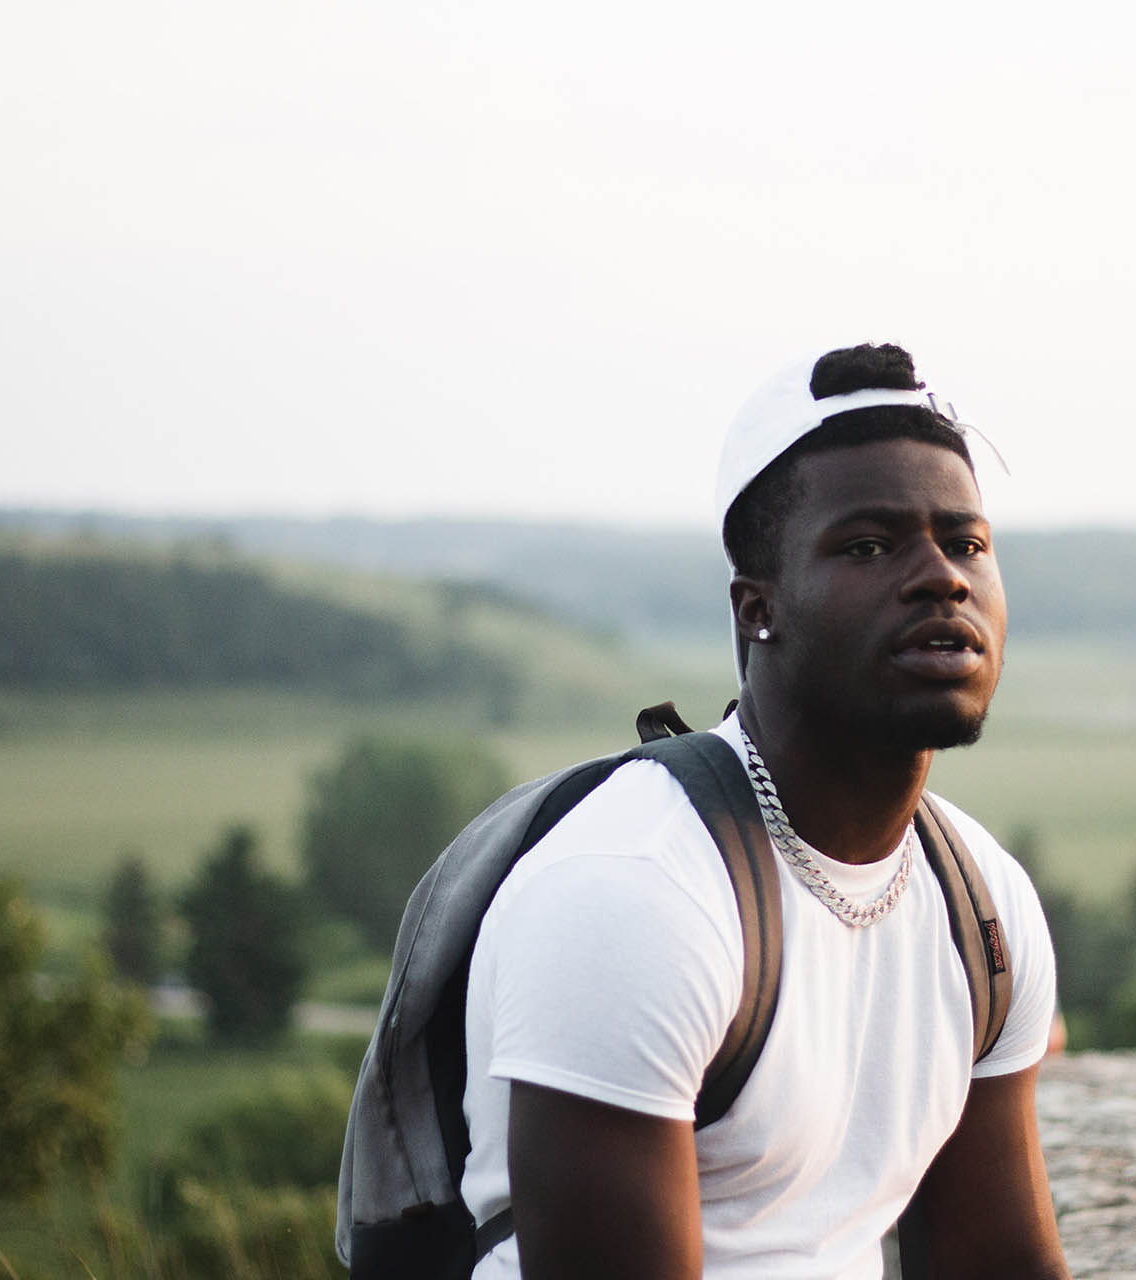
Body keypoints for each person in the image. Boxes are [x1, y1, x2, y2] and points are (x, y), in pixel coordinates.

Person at [457, 342, 1067, 1278]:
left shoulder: (981, 905)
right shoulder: (635, 892)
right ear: (756, 609)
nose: (942, 576)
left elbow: (995, 1265)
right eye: (868, 546)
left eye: (967, 543)